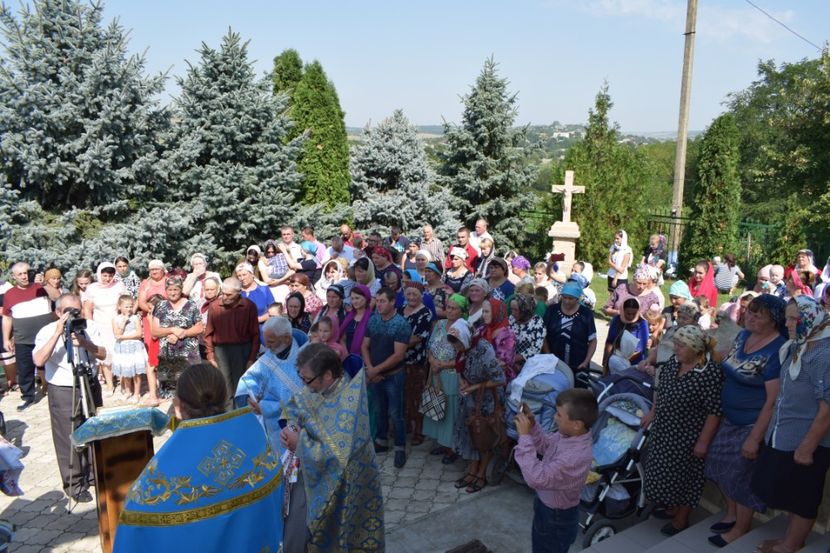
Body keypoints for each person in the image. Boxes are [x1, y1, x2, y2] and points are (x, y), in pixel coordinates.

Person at [114, 364, 283, 553]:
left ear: (179, 406)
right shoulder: (255, 437)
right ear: (226, 396)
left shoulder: (153, 484)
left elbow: (134, 532)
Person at [280, 344, 384, 552]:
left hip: (343, 487)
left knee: (338, 539)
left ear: (327, 376)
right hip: (312, 476)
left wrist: (299, 442)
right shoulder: (317, 386)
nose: (303, 384)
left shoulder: (350, 405)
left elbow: (337, 456)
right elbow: (296, 404)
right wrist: (291, 425)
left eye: (306, 379)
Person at [703, 295, 787, 547]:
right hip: (729, 418)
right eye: (749, 311)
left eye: (757, 314)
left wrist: (754, 438)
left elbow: (772, 400)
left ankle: (741, 527)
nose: (749, 317)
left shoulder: (777, 349)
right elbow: (726, 363)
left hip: (751, 424)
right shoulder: (743, 337)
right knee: (717, 464)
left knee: (740, 476)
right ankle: (731, 514)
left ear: (773, 320)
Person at [750, 296, 830, 553]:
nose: (788, 323)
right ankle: (791, 540)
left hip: (811, 440)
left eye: (794, 318)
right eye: (787, 317)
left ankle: (791, 544)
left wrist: (807, 447)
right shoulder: (802, 343)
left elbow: (827, 408)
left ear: (810, 318)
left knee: (805, 495)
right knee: (795, 492)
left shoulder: (823, 353)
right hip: (790, 435)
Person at [642, 325, 723, 536]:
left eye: (681, 345)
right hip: (665, 429)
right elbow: (661, 388)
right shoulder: (674, 362)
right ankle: (672, 506)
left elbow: (714, 411)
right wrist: (653, 411)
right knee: (664, 474)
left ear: (695, 348)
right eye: (675, 343)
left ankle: (681, 518)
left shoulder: (709, 372)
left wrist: (703, 442)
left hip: (688, 435)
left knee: (686, 478)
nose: (675, 348)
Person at [33, 293, 104, 503]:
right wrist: (57, 333)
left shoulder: (89, 327)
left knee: (93, 429)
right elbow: (38, 359)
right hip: (63, 388)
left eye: (77, 309)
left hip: (88, 382)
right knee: (67, 434)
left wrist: (85, 343)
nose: (74, 314)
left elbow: (103, 353)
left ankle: (94, 475)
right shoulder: (46, 331)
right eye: (68, 311)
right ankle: (74, 483)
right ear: (57, 312)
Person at [514, 389, 597, 553]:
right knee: (539, 545)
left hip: (556, 516)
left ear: (576, 424)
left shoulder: (575, 457)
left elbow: (537, 478)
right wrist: (532, 426)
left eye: (559, 415)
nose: (554, 417)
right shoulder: (567, 436)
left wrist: (524, 438)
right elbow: (545, 445)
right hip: (546, 504)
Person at [450, 319, 505, 494]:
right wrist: (462, 381)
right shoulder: (463, 348)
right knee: (470, 435)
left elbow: (499, 379)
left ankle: (481, 473)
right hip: (470, 399)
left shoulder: (484, 349)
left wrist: (473, 387)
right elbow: (460, 368)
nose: (456, 348)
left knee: (483, 437)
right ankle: (472, 470)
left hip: (486, 399)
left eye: (458, 344)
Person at [236, 316, 303, 455]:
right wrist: (249, 398)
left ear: (286, 338)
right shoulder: (270, 356)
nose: (266, 346)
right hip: (274, 430)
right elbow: (248, 379)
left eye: (271, 342)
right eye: (265, 341)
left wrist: (265, 407)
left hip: (301, 428)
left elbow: (300, 401)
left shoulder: (307, 358)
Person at [362, 287, 411, 468]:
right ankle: (381, 441)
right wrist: (370, 368)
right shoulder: (373, 320)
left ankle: (399, 447)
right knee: (379, 409)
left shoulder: (401, 324)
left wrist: (375, 370)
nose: (379, 304)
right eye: (378, 300)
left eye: (383, 301)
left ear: (392, 302)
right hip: (375, 373)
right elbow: (364, 346)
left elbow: (398, 355)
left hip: (393, 376)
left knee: (396, 413)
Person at [3, 262, 55, 410]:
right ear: (13, 276)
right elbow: (7, 318)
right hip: (23, 339)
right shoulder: (10, 294)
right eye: (19, 274)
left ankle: (53, 389)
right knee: (25, 369)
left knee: (51, 363)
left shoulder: (41, 287)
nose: (24, 276)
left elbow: (57, 296)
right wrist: (6, 338)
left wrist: (45, 283)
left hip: (47, 338)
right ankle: (28, 397)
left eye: (26, 272)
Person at [424, 293, 468, 464]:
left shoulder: (464, 327)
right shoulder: (440, 324)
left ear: (461, 311)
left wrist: (442, 365)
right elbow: (430, 346)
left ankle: (452, 447)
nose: (449, 311)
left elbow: (463, 356)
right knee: (438, 408)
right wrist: (432, 361)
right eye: (447, 307)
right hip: (436, 373)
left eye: (453, 308)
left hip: (451, 375)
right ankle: (442, 442)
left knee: (451, 412)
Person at [204, 277, 260, 397]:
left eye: (229, 295)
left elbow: (255, 334)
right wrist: (210, 355)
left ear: (239, 293)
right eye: (223, 293)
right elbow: (208, 332)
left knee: (242, 388)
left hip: (242, 350)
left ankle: (241, 414)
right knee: (224, 388)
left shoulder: (249, 306)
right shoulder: (214, 306)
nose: (224, 297)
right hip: (221, 350)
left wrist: (251, 358)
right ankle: (228, 414)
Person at [152, 276, 203, 396]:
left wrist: (183, 333)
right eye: (170, 289)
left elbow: (199, 327)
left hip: (189, 354)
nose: (173, 292)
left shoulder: (191, 305)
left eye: (176, 289)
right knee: (172, 391)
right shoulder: (160, 306)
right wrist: (172, 330)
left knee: (193, 389)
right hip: (168, 354)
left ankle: (193, 414)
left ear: (181, 290)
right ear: (166, 290)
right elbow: (154, 331)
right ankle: (177, 413)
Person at [542, 281, 597, 385]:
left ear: (578, 298)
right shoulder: (552, 310)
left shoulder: (586, 314)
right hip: (554, 363)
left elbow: (593, 340)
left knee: (577, 396)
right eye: (565, 297)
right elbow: (543, 335)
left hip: (579, 364)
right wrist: (548, 355)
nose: (567, 301)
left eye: (570, 298)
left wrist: (586, 361)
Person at [83, 262, 126, 395]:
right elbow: (87, 309)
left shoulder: (119, 285)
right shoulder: (92, 288)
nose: (107, 279)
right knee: (105, 355)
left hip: (118, 324)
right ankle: (109, 385)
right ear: (99, 274)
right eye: (105, 275)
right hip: (100, 326)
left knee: (120, 354)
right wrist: (90, 326)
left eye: (110, 275)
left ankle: (123, 383)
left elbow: (125, 302)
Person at [399, 281, 434, 446]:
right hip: (399, 360)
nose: (411, 297)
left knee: (416, 396)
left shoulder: (425, 313)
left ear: (421, 296)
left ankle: (419, 431)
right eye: (408, 294)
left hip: (416, 360)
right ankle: (405, 426)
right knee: (403, 395)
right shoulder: (400, 310)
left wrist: (396, 345)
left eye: (415, 294)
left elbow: (418, 337)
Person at [136, 259, 167, 404]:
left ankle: (165, 388)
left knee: (167, 353)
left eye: (157, 269)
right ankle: (153, 392)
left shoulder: (169, 281)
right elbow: (141, 301)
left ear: (163, 269)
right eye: (151, 269)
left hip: (167, 320)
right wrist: (151, 310)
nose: (154, 272)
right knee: (152, 356)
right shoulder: (145, 283)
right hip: (149, 319)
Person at [112, 294, 147, 402]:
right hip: (123, 349)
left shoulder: (135, 318)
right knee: (126, 371)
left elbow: (139, 333)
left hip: (134, 347)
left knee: (136, 371)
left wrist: (122, 337)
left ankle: (137, 393)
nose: (129, 309)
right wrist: (124, 321)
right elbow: (116, 334)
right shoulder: (116, 319)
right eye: (126, 307)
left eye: (131, 306)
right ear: (119, 307)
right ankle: (128, 391)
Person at [603, 298, 649, 374]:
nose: (631, 317)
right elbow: (609, 343)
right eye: (628, 313)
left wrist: (624, 363)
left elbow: (640, 349)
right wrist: (605, 364)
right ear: (623, 310)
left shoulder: (642, 323)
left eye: (634, 314)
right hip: (615, 361)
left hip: (634, 364)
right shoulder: (616, 320)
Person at [478, 298, 516, 383]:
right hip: (483, 377)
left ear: (496, 312)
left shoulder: (507, 335)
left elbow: (503, 364)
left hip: (500, 380)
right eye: (483, 311)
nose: (483, 315)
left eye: (487, 312)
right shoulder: (483, 329)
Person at [509, 294, 547, 376]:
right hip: (510, 362)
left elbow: (535, 349)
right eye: (511, 309)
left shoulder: (537, 322)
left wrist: (513, 359)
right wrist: (510, 361)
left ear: (525, 309)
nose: (513, 313)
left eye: (516, 310)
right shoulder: (511, 319)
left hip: (529, 365)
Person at [340, 284, 373, 357]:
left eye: (357, 298)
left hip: (364, 358)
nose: (354, 301)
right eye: (352, 298)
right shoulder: (348, 316)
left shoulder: (372, 318)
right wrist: (346, 354)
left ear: (366, 298)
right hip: (346, 356)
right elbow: (342, 338)